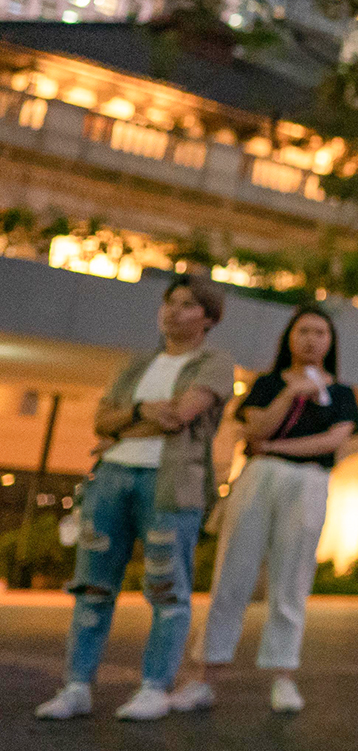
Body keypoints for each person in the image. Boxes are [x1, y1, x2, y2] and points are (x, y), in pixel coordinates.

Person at [36, 274, 236, 722]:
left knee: (167, 588)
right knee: (92, 584)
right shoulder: (138, 364)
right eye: (169, 302)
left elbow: (181, 416)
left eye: (186, 304)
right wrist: (145, 412)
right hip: (111, 477)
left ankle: (154, 687)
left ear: (208, 317)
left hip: (170, 484)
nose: (172, 311)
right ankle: (76, 685)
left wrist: (122, 424)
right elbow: (100, 420)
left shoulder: (216, 362)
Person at [172, 305, 358, 715]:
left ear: (331, 342)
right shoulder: (267, 384)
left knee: (292, 576)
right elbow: (255, 428)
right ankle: (206, 675)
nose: (312, 339)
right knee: (232, 573)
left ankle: (284, 676)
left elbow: (333, 442)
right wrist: (291, 392)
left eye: (320, 333)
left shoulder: (342, 394)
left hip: (308, 481)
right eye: (304, 331)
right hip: (259, 478)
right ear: (289, 337)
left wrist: (276, 447)